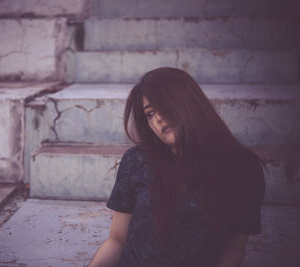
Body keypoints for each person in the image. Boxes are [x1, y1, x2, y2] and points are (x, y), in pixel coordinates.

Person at [88, 67, 265, 267]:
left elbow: (234, 248)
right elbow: (117, 240)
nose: (157, 119)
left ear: (188, 101)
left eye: (162, 106)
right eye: (150, 113)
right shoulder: (136, 161)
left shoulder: (243, 169)